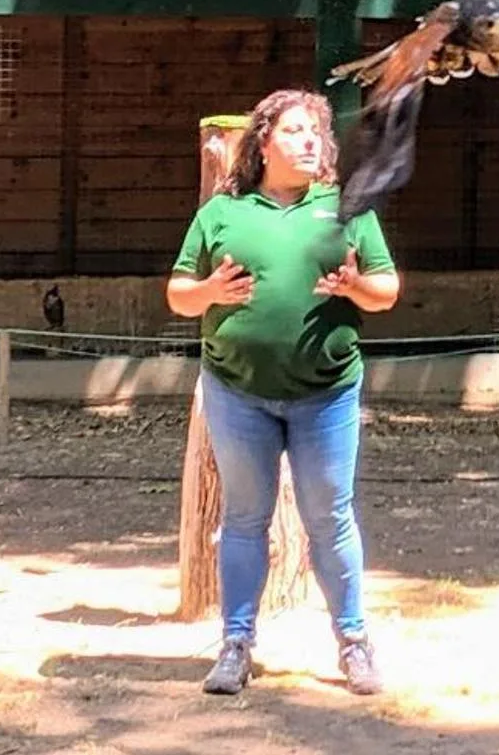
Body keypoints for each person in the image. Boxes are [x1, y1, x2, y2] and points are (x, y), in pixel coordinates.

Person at [167, 86, 400, 697]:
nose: (310, 142)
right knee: (246, 517)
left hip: (326, 395)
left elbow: (387, 290)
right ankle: (235, 645)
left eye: (316, 133)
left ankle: (354, 643)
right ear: (262, 141)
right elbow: (178, 295)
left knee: (331, 517)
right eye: (295, 130)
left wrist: (355, 287)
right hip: (237, 392)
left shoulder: (349, 209)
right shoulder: (221, 213)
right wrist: (210, 292)